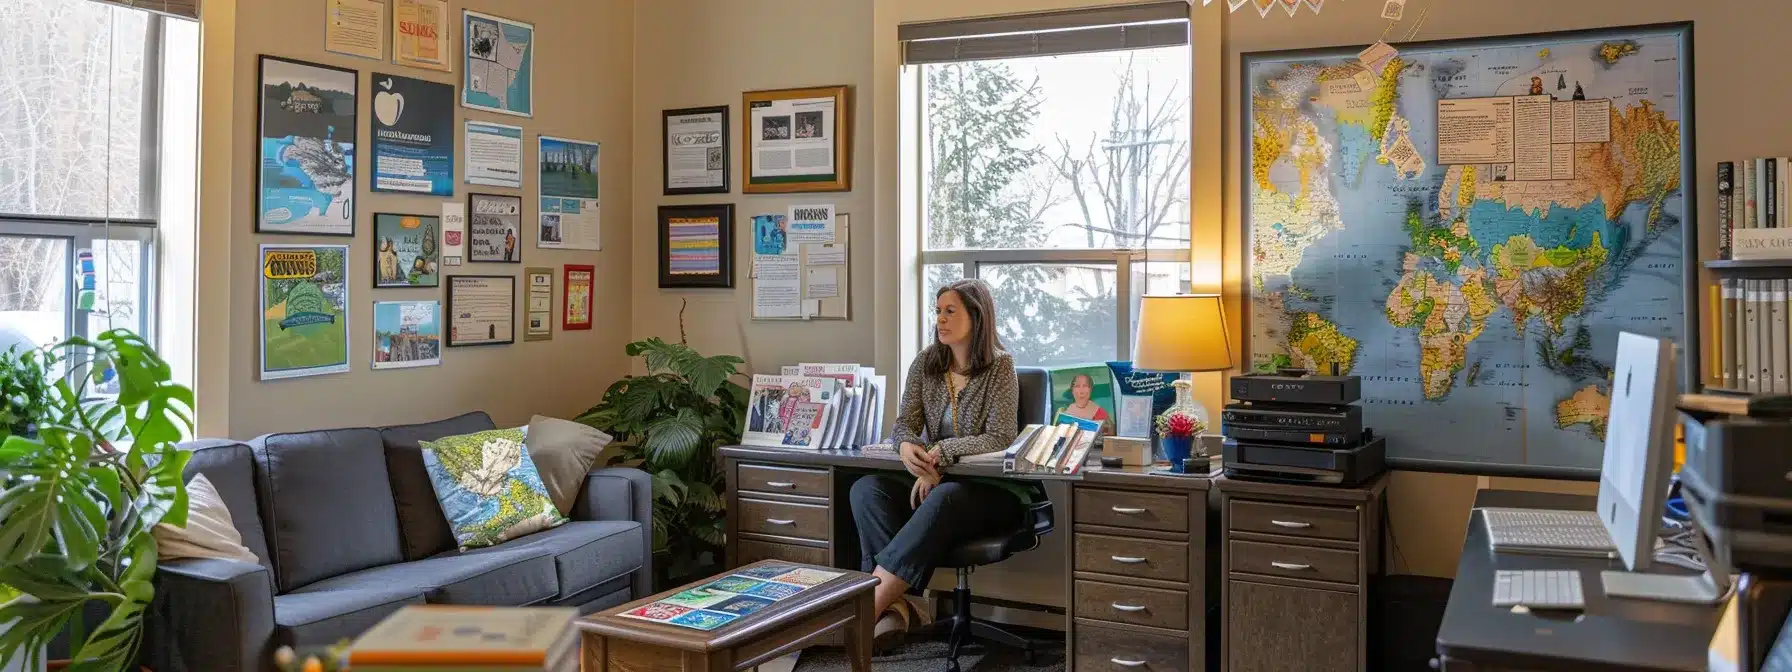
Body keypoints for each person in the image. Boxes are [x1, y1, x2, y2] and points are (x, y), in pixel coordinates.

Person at [848, 278, 1031, 649]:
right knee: (866, 489)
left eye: (950, 311)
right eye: (938, 311)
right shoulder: (926, 364)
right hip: (933, 483)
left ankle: (868, 611)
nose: (940, 320)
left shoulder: (1001, 368)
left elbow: (1000, 436)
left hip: (992, 493)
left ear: (976, 318)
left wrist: (940, 457)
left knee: (946, 496)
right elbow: (905, 424)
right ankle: (903, 606)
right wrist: (906, 448)